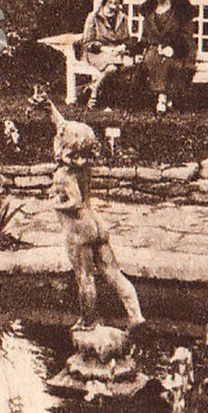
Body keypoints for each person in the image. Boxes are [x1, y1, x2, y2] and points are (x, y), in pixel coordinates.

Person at [48, 107, 144, 330]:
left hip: (78, 228)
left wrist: (56, 204)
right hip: (96, 224)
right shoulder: (85, 168)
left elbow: (75, 202)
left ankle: (87, 321)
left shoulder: (64, 174)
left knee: (84, 277)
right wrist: (49, 108)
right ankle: (136, 316)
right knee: (114, 273)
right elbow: (64, 128)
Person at [139, 0, 196, 114]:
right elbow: (145, 36)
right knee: (152, 58)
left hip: (180, 47)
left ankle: (162, 99)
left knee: (171, 61)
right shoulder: (149, 11)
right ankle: (166, 97)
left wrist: (173, 48)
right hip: (156, 48)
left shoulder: (180, 10)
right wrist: (155, 46)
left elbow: (186, 35)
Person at [77, 0, 135, 109]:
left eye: (117, 0)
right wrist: (104, 49)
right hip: (97, 52)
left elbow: (127, 39)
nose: (114, 2)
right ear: (105, 0)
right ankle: (95, 90)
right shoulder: (94, 17)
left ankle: (94, 86)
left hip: (116, 52)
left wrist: (122, 47)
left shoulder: (121, 17)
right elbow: (87, 42)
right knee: (112, 68)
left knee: (129, 64)